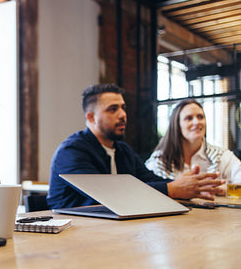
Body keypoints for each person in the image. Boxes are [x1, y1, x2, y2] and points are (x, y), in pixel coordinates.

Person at [47, 84, 224, 209]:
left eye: (123, 108)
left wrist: (187, 185)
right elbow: (107, 194)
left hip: (114, 232)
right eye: (113, 109)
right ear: (91, 118)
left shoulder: (122, 150)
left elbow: (148, 179)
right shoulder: (72, 151)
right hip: (73, 235)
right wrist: (173, 188)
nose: (123, 115)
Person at [145, 99, 241, 182]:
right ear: (177, 126)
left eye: (200, 117)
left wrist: (218, 189)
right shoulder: (159, 161)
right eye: (189, 118)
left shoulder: (223, 157)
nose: (196, 122)